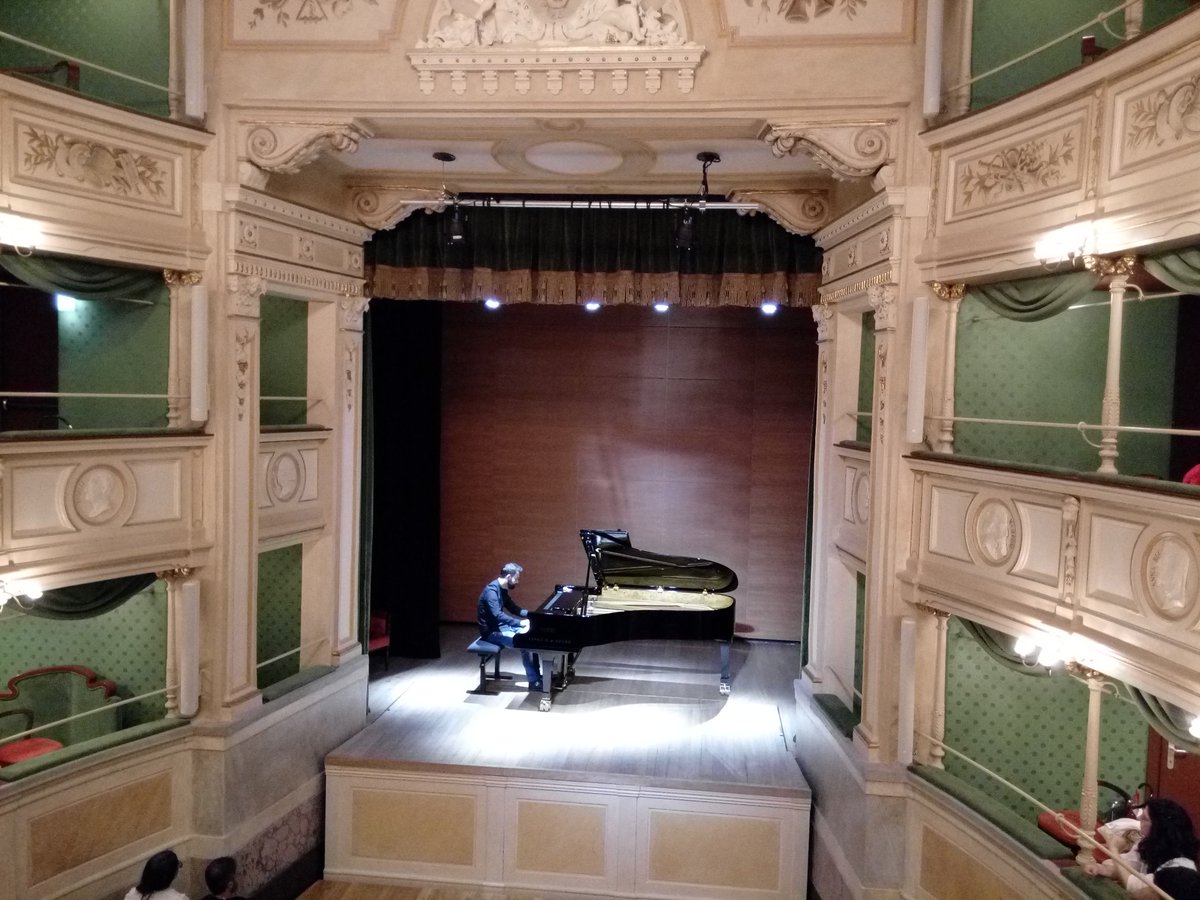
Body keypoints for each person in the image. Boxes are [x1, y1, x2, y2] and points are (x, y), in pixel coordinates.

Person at [1086, 798, 1199, 899]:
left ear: (1159, 827)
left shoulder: (1179, 867)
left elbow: (1133, 886)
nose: (1139, 818)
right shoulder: (1148, 842)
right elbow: (1128, 866)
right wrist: (1103, 869)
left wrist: (1114, 849)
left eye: (1145, 818)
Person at [477, 562, 542, 690]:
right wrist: (519, 623)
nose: (517, 581)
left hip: (504, 627)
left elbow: (513, 608)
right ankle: (534, 681)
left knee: (532, 637)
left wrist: (532, 616)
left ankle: (538, 676)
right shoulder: (491, 592)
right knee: (525, 644)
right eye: (516, 578)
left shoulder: (502, 589)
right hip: (491, 632)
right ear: (508, 577)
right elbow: (497, 615)